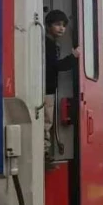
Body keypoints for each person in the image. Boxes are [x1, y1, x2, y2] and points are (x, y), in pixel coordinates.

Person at [44, 10, 80, 152]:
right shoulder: (49, 44)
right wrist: (73, 57)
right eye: (57, 24)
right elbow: (55, 66)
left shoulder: (49, 42)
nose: (61, 28)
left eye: (63, 25)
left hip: (46, 88)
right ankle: (45, 152)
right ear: (48, 26)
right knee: (46, 122)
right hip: (47, 89)